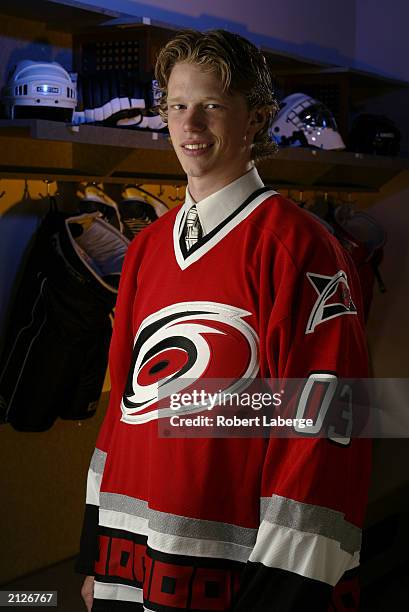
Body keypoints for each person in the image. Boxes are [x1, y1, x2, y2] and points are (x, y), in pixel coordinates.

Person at [77, 29, 371, 611]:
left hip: (235, 568)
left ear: (256, 119)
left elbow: (330, 414)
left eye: (211, 106)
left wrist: (283, 589)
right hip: (130, 554)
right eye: (178, 106)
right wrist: (93, 551)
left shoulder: (297, 245)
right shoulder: (147, 246)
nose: (189, 126)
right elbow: (125, 408)